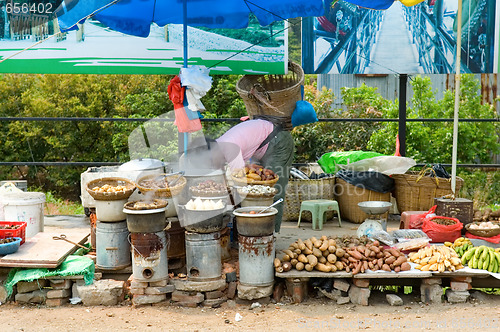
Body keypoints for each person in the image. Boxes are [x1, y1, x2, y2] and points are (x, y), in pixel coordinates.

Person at [207, 116, 295, 233]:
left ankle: (269, 234)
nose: (213, 165)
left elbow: (241, 184)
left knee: (271, 191)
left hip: (278, 141)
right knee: (258, 189)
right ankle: (256, 230)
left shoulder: (230, 148)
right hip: (265, 145)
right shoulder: (221, 144)